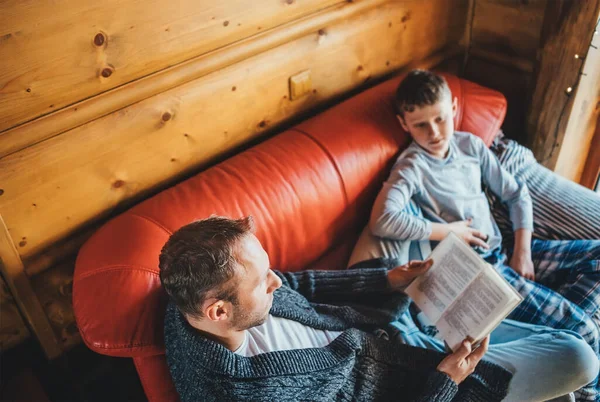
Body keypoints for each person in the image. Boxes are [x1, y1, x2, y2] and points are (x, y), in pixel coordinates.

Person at [159, 216, 597, 402]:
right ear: (217, 311)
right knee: (578, 353)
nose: (276, 281)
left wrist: (382, 281)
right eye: (262, 281)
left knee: (384, 236)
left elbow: (295, 283)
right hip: (419, 378)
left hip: (385, 327)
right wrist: (445, 383)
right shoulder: (256, 393)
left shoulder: (188, 294)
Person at [369, 69, 600, 400]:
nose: (434, 132)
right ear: (404, 124)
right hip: (483, 270)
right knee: (585, 331)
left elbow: (516, 193)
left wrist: (522, 248)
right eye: (420, 124)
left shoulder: (469, 145)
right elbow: (383, 220)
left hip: (509, 250)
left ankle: (547, 327)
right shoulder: (412, 167)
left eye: (440, 118)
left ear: (454, 108)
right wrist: (450, 231)